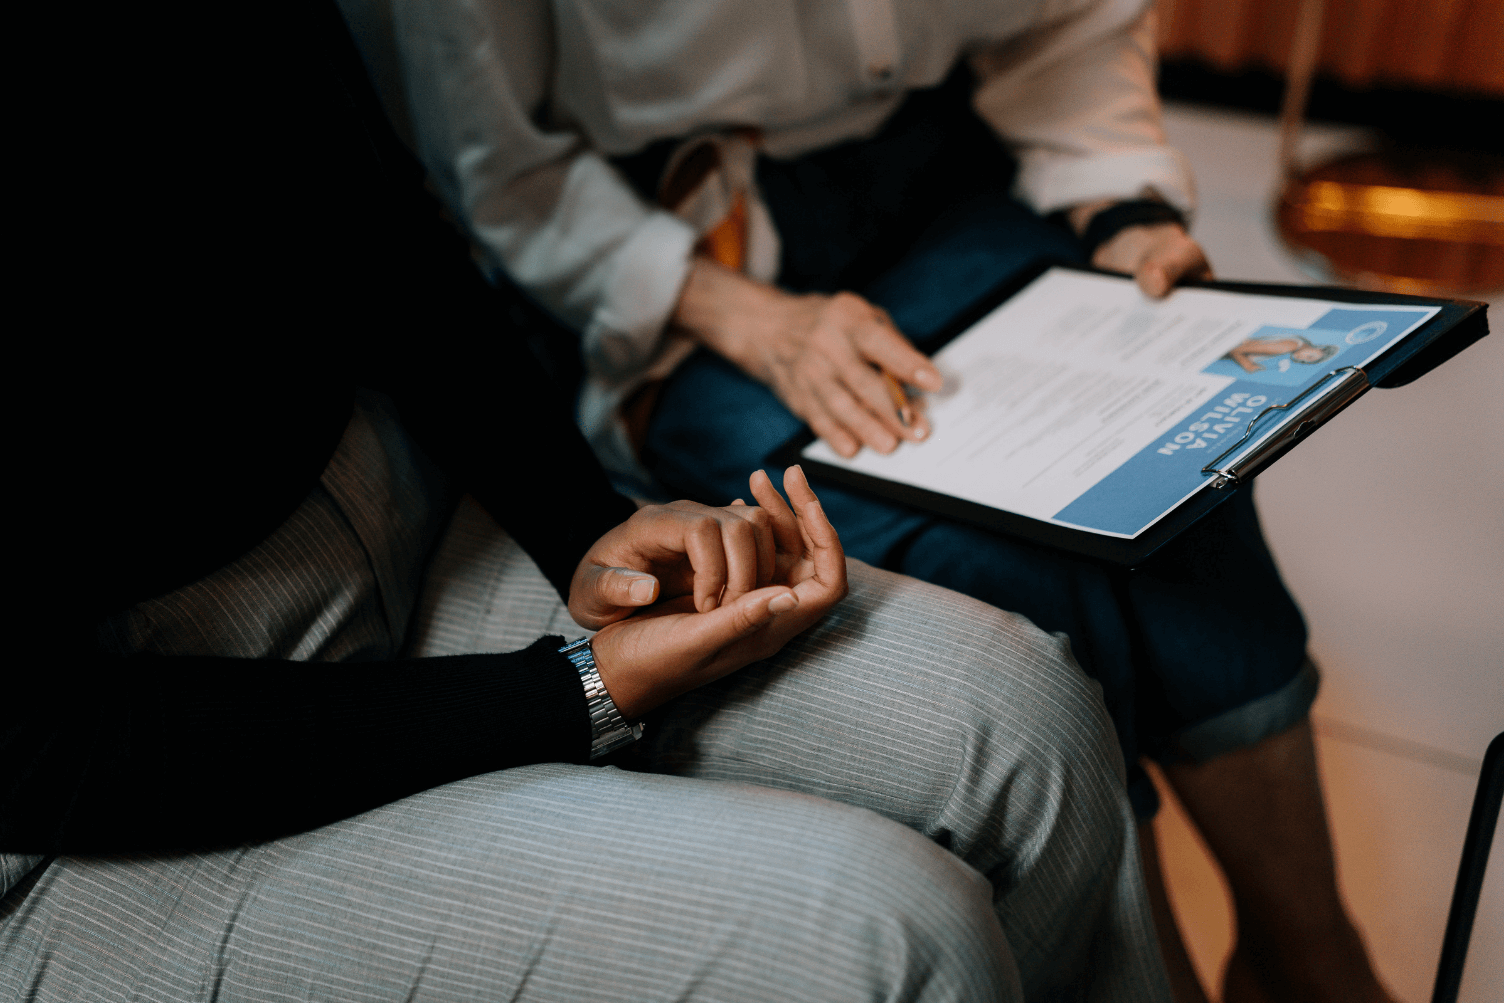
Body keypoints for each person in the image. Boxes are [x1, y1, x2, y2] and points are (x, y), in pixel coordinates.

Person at [2, 6, 1170, 1000]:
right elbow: (44, 749)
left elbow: (377, 222)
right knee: (889, 937)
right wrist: (574, 692)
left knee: (1031, 724)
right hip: (87, 786)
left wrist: (581, 527)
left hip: (397, 508)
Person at [339, 1, 1399, 999]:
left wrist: (1121, 209)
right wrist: (748, 317)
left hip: (932, 167)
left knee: (1177, 482)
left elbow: (1069, 21)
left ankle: (1307, 951)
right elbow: (499, 168)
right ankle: (1144, 961)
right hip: (662, 238)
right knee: (991, 566)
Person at [1225, 334, 1341, 372]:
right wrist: (1249, 366)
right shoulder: (1290, 345)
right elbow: (1235, 349)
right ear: (1319, 347)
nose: (1302, 359)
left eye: (1305, 362)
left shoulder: (1294, 344)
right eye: (1310, 356)